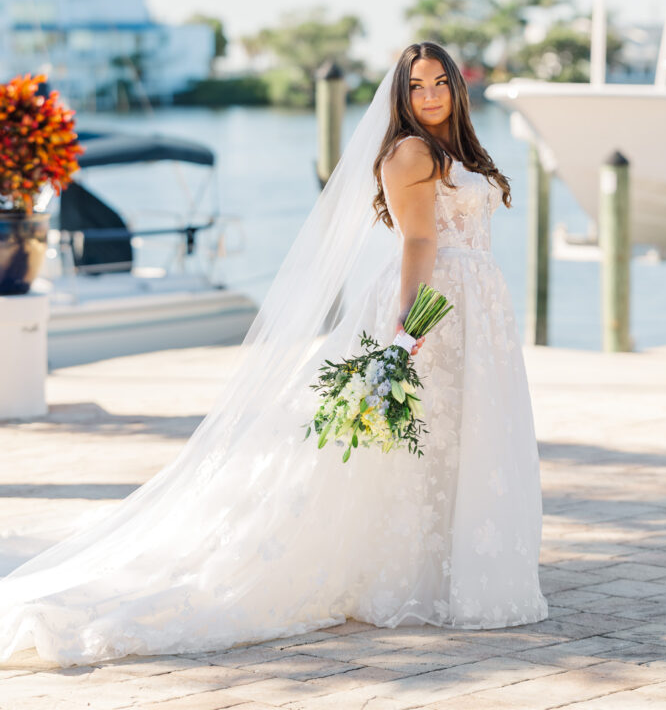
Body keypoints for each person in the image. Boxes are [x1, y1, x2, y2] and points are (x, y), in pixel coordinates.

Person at [0, 41, 547, 668]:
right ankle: (414, 573)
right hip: (436, 305)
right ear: (399, 95)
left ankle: (447, 569)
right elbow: (419, 240)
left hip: (474, 307)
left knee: (456, 437)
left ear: (456, 87)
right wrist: (408, 327)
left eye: (440, 82)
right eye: (416, 85)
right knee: (423, 437)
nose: (429, 95)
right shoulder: (411, 152)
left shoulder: (455, 148)